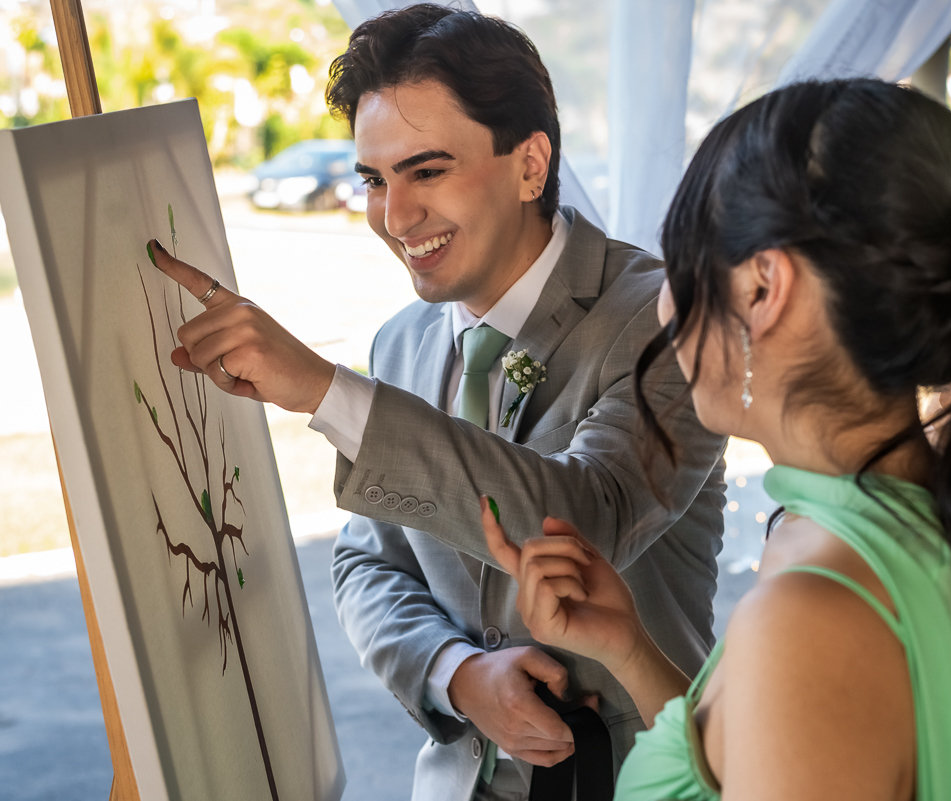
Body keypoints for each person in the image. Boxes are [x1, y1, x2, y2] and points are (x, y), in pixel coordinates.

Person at [145, 5, 728, 799]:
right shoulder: (402, 342)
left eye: (427, 171)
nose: (395, 215)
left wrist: (324, 389)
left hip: (639, 778)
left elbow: (588, 524)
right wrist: (459, 675)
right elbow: (367, 563)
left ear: (530, 165)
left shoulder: (666, 314)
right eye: (374, 181)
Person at [482, 78, 951, 800]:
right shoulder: (940, 517)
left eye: (680, 259)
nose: (665, 302)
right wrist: (628, 645)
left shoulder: (816, 612)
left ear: (762, 287)